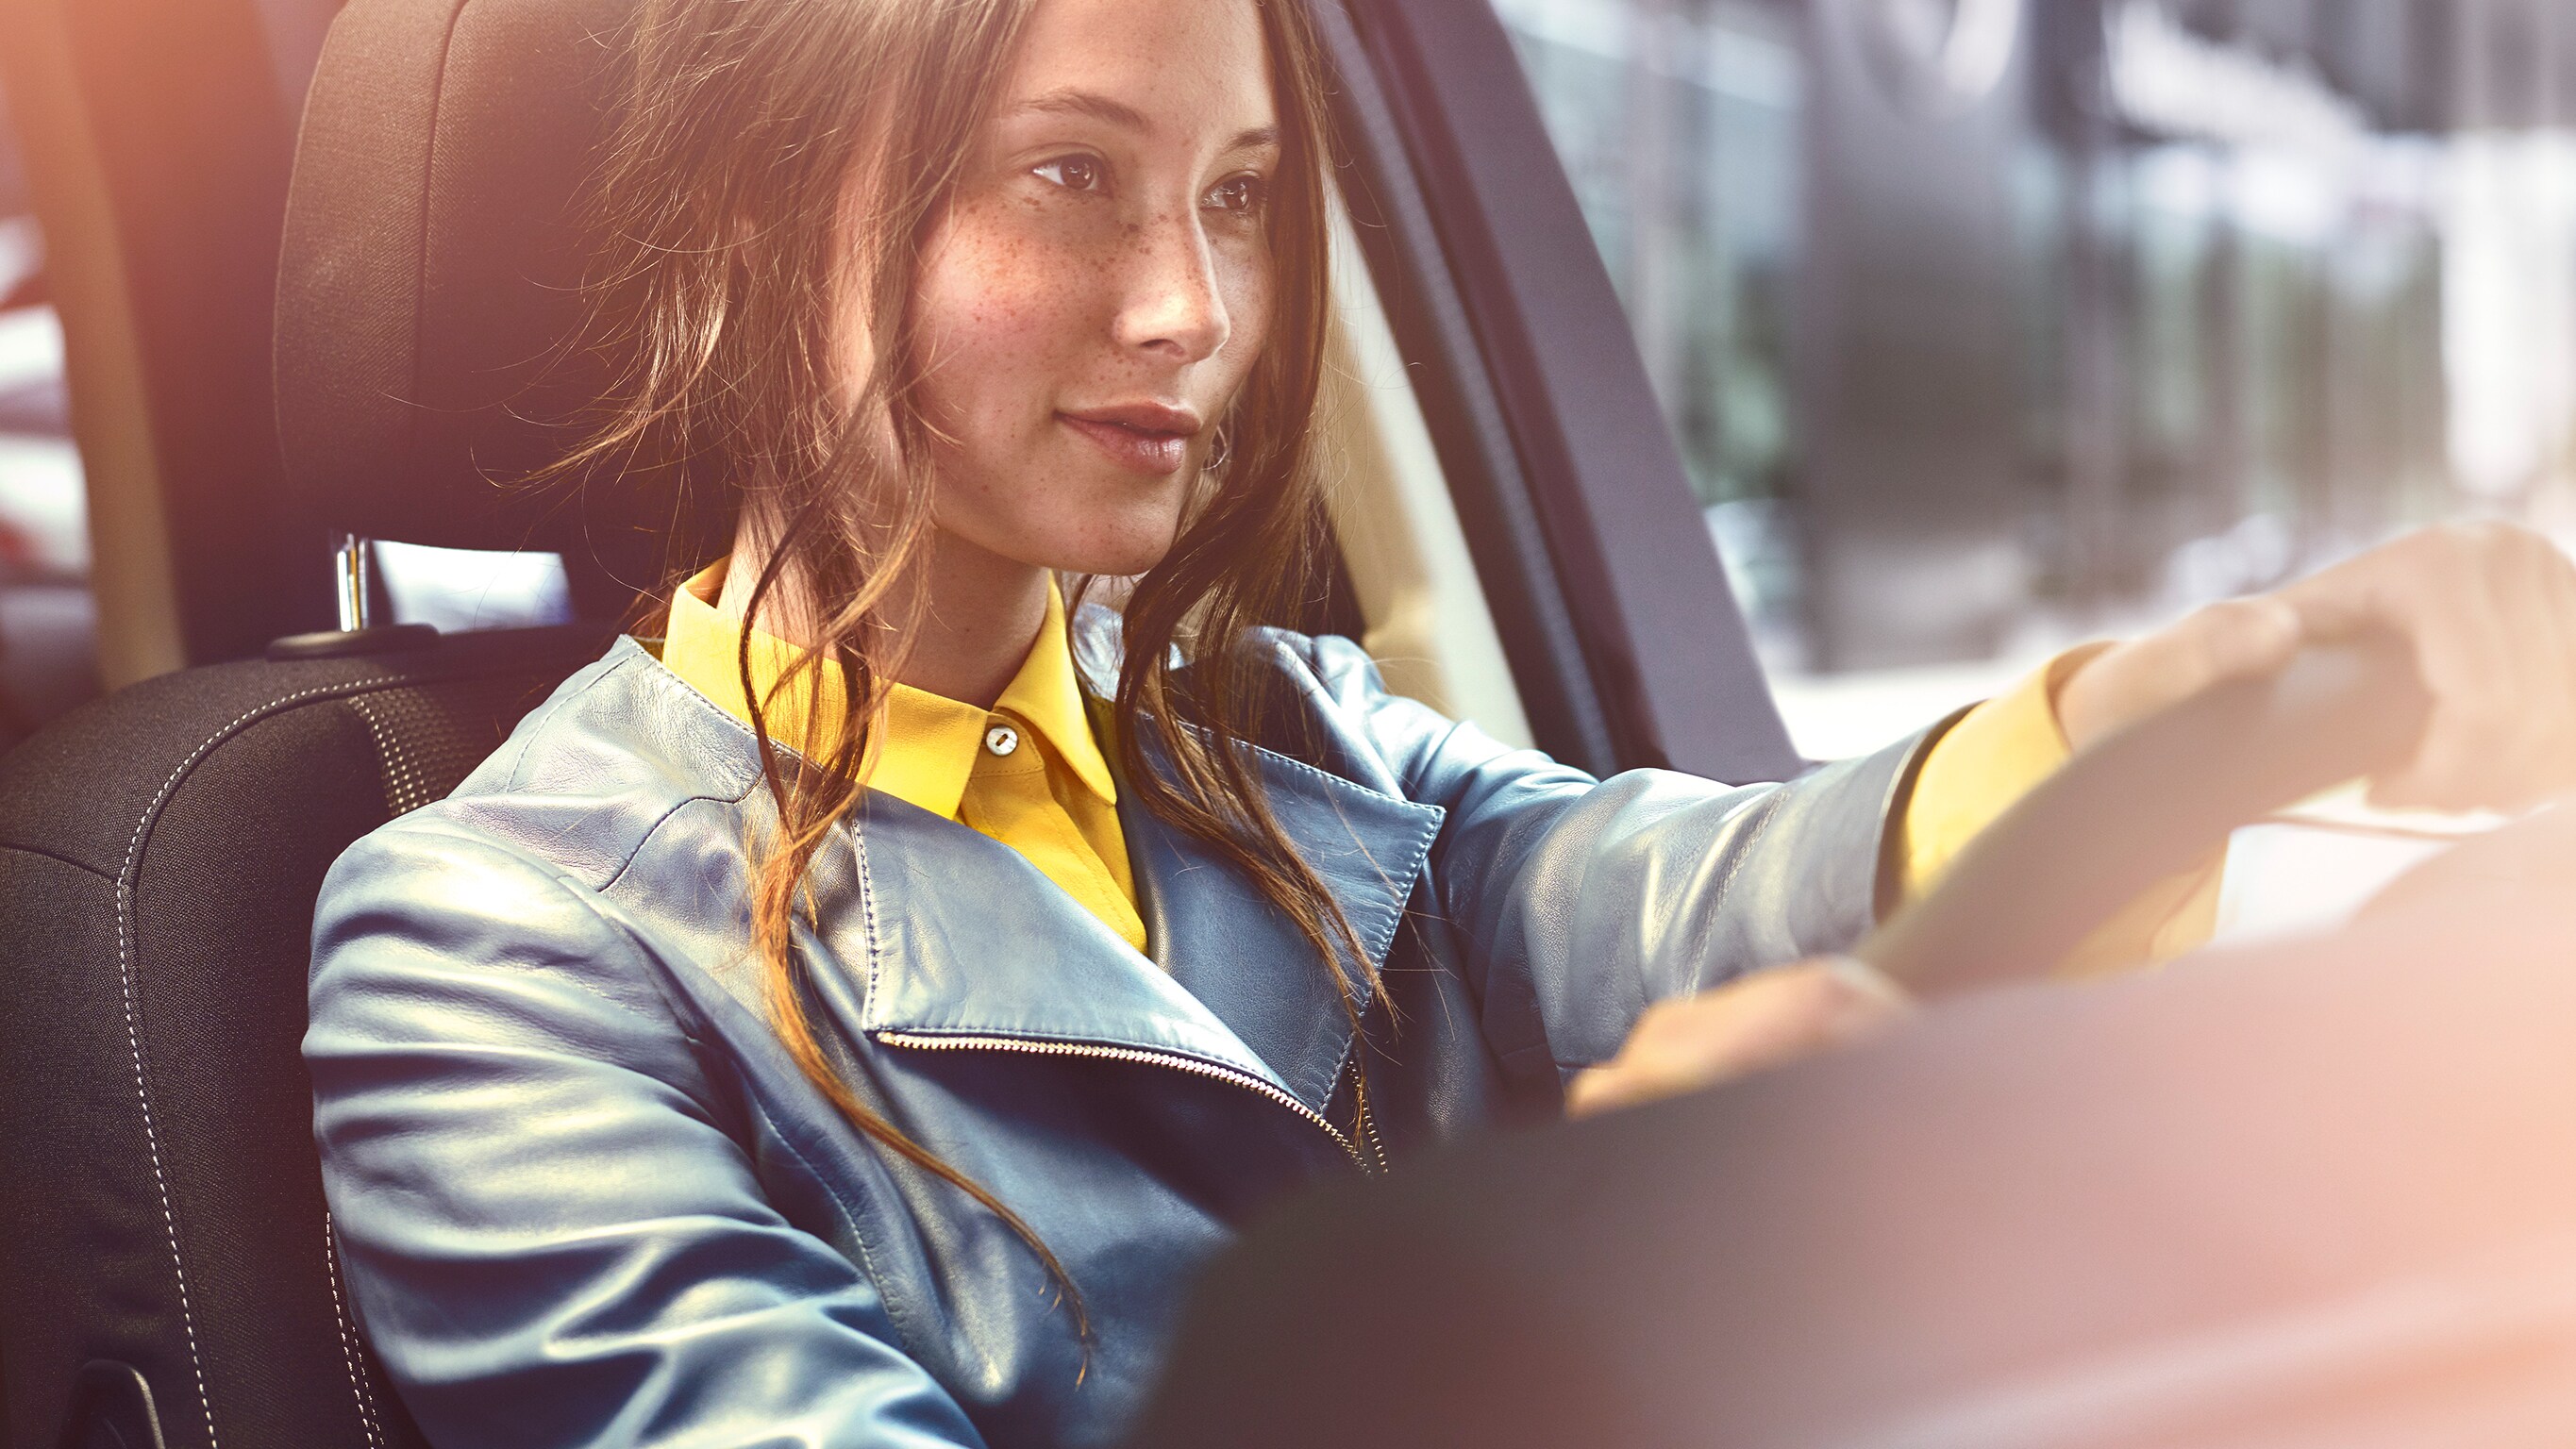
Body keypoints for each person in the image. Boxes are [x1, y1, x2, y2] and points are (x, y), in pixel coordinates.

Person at [302, 0, 2576, 1444]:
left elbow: (1673, 893)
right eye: (1070, 176)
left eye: (1242, 199)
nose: (1193, 306)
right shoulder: (490, 955)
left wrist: (2176, 712)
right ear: (763, 213)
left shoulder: (1286, 737)